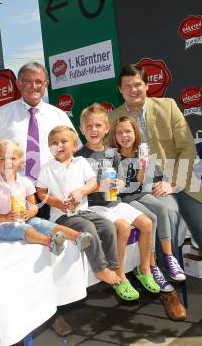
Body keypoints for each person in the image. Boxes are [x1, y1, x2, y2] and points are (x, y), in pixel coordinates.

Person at [109, 64, 202, 329]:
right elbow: (109, 156)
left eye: (137, 84)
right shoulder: (114, 117)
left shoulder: (168, 106)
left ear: (146, 85)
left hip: (180, 180)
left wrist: (173, 182)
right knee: (165, 223)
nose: (133, 89)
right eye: (127, 86)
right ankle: (168, 293)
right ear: (120, 90)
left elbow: (186, 147)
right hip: (143, 189)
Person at [0, 61, 80, 336]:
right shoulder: (2, 115)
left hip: (50, 195)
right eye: (27, 81)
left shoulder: (58, 114)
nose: (33, 86)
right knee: (23, 257)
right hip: (16, 198)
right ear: (18, 84)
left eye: (39, 81)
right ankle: (25, 313)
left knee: (51, 253)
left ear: (46, 84)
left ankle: (54, 312)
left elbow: (73, 152)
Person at [75, 103, 160, 301]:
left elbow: (121, 178)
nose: (93, 130)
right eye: (89, 126)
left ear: (106, 129)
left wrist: (118, 183)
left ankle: (145, 269)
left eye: (98, 126)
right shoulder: (79, 157)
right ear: (81, 130)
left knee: (147, 223)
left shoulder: (113, 154)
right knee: (123, 227)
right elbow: (78, 187)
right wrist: (98, 186)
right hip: (94, 206)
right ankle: (119, 276)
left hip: (114, 201)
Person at [36, 126, 122, 287]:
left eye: (64, 141)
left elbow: (93, 182)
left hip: (84, 210)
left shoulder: (81, 162)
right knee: (87, 227)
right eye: (54, 143)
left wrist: (81, 192)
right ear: (49, 148)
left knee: (108, 226)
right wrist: (57, 203)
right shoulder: (47, 168)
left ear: (75, 146)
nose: (59, 145)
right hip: (62, 216)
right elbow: (41, 192)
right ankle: (99, 268)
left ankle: (113, 265)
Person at [110, 115, 187, 284]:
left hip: (141, 193)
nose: (124, 136)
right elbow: (119, 188)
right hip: (124, 199)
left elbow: (141, 182)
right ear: (114, 136)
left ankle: (169, 257)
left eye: (128, 131)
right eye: (119, 133)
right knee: (150, 218)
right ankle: (152, 266)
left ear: (135, 133)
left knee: (161, 208)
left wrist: (144, 166)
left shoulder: (142, 153)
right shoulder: (113, 156)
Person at [0, 139, 93, 255]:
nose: (8, 163)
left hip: (24, 219)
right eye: (2, 159)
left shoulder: (25, 183)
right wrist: (6, 217)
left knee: (42, 223)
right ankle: (50, 242)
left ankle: (78, 237)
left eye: (12, 158)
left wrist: (29, 213)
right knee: (23, 229)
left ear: (20, 162)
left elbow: (33, 207)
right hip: (3, 226)